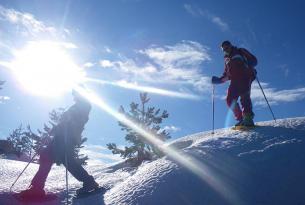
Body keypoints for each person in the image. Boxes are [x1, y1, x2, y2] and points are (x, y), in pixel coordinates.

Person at [20, 88, 99, 198]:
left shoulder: (84, 105)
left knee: (67, 160)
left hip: (68, 138)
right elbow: (65, 121)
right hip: (60, 137)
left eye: (76, 93)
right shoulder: (76, 106)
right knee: (46, 156)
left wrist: (69, 119)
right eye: (74, 94)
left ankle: (89, 182)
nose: (74, 96)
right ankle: (36, 188)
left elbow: (80, 119)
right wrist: (56, 128)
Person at [212, 41, 257, 127]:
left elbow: (254, 60)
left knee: (244, 96)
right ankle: (241, 119)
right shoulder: (226, 60)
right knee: (229, 100)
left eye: (227, 47)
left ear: (231, 46)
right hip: (234, 79)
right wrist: (218, 80)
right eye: (223, 49)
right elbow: (226, 74)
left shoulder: (240, 51)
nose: (225, 50)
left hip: (245, 75)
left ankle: (247, 118)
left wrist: (249, 64)